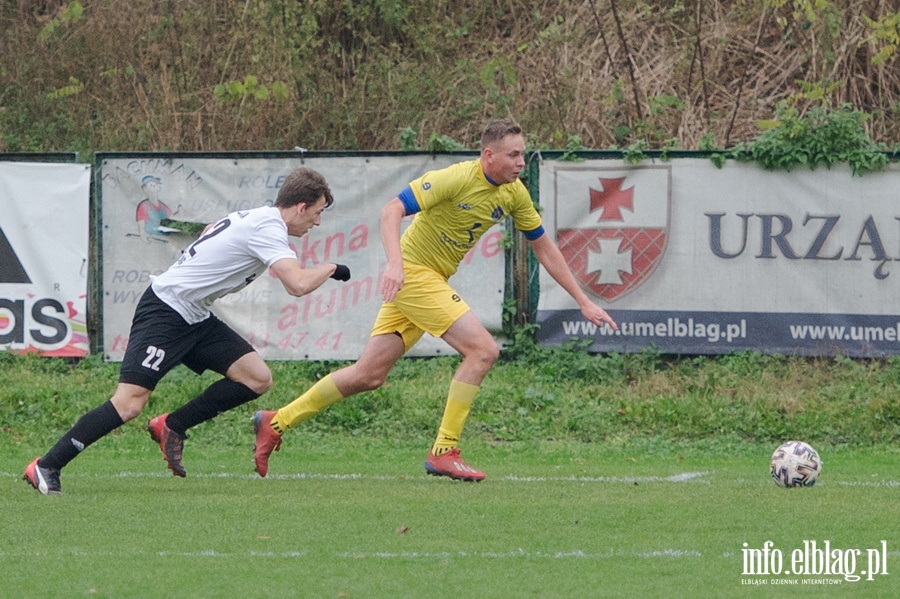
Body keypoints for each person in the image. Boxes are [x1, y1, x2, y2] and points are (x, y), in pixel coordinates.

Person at [252, 120, 618, 482]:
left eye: (522, 154)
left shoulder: (514, 193)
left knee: (368, 375)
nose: (521, 162)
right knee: (483, 350)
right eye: (514, 155)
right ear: (489, 155)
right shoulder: (456, 178)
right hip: (412, 273)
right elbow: (390, 210)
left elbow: (544, 247)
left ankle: (277, 421)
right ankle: (445, 450)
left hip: (427, 279)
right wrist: (395, 265)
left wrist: (582, 301)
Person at [23, 167, 351, 495]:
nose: (317, 223)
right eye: (318, 213)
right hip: (166, 311)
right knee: (129, 403)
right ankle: (47, 465)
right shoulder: (268, 227)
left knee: (256, 378)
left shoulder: (255, 217)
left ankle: (172, 424)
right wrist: (331, 268)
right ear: (302, 207)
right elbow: (297, 284)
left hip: (193, 314)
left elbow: (211, 230)